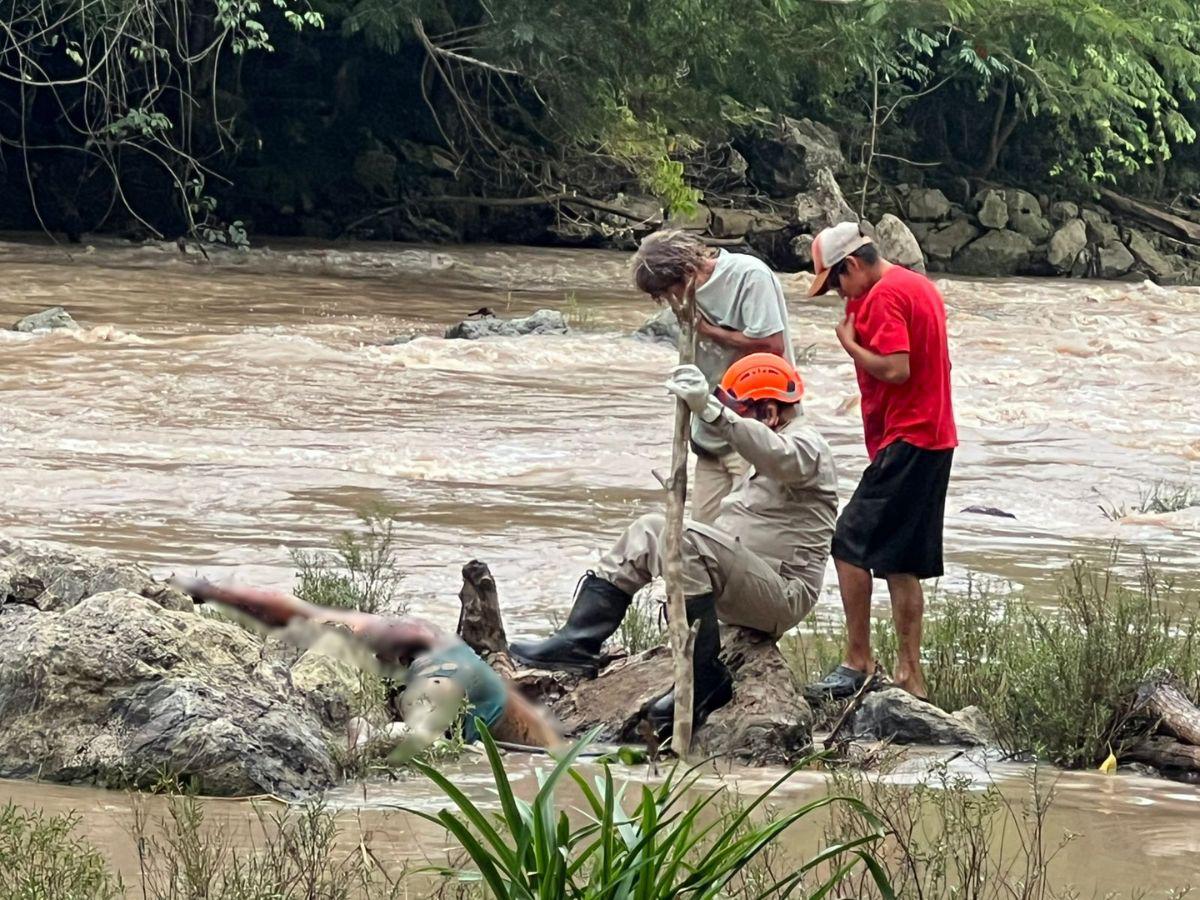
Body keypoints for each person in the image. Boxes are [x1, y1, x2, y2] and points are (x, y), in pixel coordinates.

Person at [510, 353, 837, 734]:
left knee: (681, 536)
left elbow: (779, 456)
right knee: (652, 529)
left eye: (743, 412)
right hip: (750, 581)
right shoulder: (776, 443)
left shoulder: (806, 446)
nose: (738, 421)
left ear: (769, 412)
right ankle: (578, 641)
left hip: (781, 593)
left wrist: (713, 411)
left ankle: (702, 678)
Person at [803, 221, 957, 702]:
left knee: (848, 543)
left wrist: (848, 345)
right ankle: (910, 675)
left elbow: (896, 367)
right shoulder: (916, 285)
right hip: (935, 436)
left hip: (908, 438)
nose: (837, 295)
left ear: (851, 265)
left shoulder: (884, 296)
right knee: (899, 561)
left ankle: (858, 662)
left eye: (835, 283)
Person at [170, 575, 561, 755]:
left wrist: (213, 593)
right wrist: (215, 594)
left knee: (384, 734)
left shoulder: (425, 668)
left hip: (474, 706)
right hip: (482, 695)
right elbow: (288, 610)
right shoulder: (410, 636)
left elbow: (414, 741)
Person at [632, 230, 795, 524]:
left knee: (749, 528)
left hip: (756, 426)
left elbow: (772, 344)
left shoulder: (748, 276)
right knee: (701, 532)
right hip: (710, 431)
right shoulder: (682, 297)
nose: (669, 301)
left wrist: (709, 331)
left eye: (668, 292)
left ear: (689, 270)